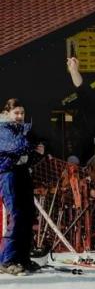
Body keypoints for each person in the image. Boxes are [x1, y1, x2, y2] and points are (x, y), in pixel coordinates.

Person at [0, 99, 44, 275]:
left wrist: (38, 152)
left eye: (22, 113)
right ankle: (6, 260)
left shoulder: (21, 129)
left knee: (28, 214)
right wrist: (31, 145)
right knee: (16, 215)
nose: (20, 116)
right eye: (16, 113)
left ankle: (23, 258)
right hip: (8, 174)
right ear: (7, 113)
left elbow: (27, 154)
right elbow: (16, 147)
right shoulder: (3, 128)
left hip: (23, 172)